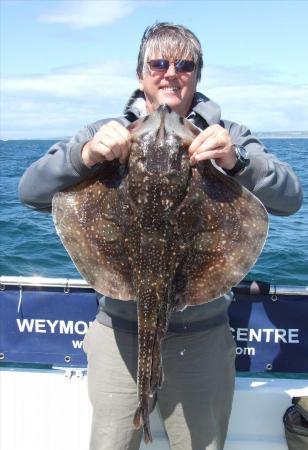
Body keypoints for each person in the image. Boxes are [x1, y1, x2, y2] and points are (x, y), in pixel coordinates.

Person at [19, 22, 302, 450]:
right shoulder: (105, 133)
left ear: (197, 75)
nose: (171, 72)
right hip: (117, 335)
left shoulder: (229, 136)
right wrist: (85, 155)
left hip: (204, 337)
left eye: (184, 64)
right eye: (159, 63)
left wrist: (236, 160)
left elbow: (290, 198)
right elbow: (30, 192)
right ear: (141, 74)